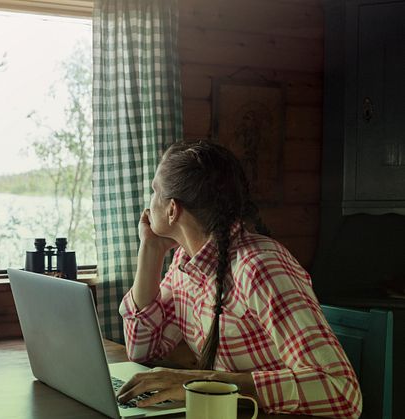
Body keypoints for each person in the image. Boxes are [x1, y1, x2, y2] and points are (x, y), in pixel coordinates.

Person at [115, 140, 362, 418]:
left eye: (154, 191)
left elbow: (341, 390)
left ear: (172, 210)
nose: (149, 202)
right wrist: (150, 250)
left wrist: (202, 385)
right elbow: (141, 348)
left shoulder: (261, 267)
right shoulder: (185, 263)